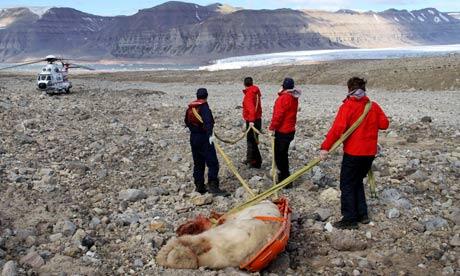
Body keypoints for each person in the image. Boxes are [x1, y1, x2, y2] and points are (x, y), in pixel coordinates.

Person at [320, 77, 389, 230]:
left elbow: (337, 130)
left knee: (347, 183)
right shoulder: (373, 106)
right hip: (369, 154)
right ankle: (362, 214)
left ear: (349, 89)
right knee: (357, 181)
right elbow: (384, 124)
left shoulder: (348, 107)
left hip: (354, 153)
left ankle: (350, 218)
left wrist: (325, 147)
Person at [184, 88, 230, 197]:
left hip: (194, 137)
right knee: (212, 162)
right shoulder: (204, 107)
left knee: (198, 163)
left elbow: (186, 121)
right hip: (204, 138)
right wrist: (210, 135)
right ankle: (213, 186)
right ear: (206, 96)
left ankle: (199, 186)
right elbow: (208, 122)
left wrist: (194, 130)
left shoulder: (191, 107)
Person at [269, 77, 301, 187]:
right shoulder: (293, 97)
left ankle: (285, 180)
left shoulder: (283, 99)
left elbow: (278, 116)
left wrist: (272, 127)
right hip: (290, 130)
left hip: (282, 131)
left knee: (280, 156)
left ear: (283, 86)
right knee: (283, 155)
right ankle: (285, 178)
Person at [242, 77, 263, 168]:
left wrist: (251, 121)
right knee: (252, 140)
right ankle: (250, 158)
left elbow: (251, 108)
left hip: (252, 120)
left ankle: (256, 162)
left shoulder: (249, 94)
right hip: (257, 119)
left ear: (244, 84)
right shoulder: (255, 92)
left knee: (252, 141)